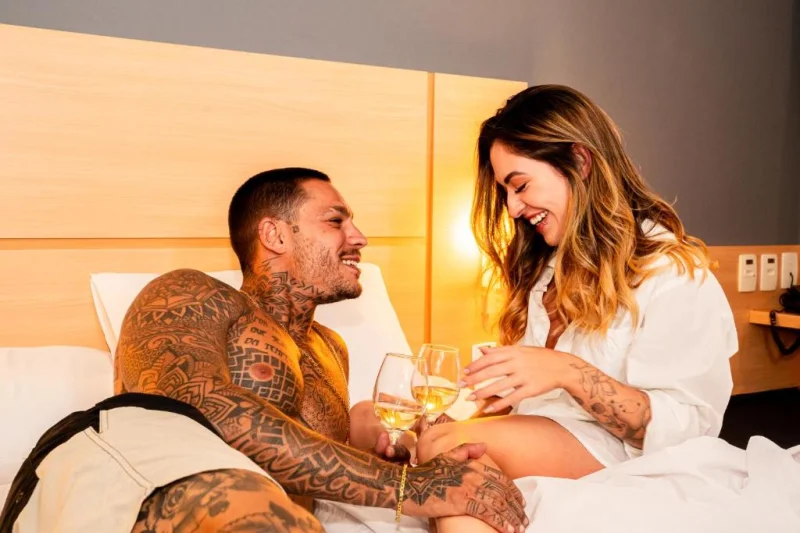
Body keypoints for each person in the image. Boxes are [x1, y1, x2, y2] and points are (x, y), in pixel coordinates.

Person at [0, 168, 527, 533]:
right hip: (146, 476)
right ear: (275, 234)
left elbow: (310, 448)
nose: (359, 237)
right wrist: (410, 486)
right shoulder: (189, 294)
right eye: (336, 221)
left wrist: (381, 438)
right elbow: (198, 409)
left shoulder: (331, 350)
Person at [412, 85, 739, 533]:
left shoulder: (673, 274)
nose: (512, 207)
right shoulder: (545, 272)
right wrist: (490, 409)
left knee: (450, 448)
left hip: (624, 454)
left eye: (520, 185)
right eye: (505, 192)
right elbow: (534, 412)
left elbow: (690, 425)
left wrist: (568, 372)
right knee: (432, 444)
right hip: (554, 439)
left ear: (580, 162)